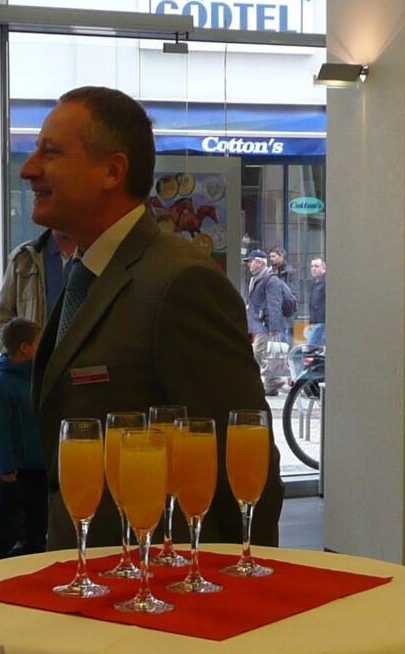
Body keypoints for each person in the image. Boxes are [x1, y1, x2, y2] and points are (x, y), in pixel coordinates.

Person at [23, 86, 281, 550]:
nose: (29, 169)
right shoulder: (88, 273)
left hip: (157, 579)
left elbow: (241, 456)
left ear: (112, 170)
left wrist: (251, 570)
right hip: (93, 569)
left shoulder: (179, 282)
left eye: (51, 152)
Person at [0, 316, 47, 561]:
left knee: (37, 523)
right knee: (8, 523)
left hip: (38, 466)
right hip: (16, 470)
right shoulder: (2, 383)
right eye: (38, 342)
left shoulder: (34, 377)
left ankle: (32, 561)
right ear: (24, 347)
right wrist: (6, 466)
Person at [0, 227, 77, 343]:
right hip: (34, 352)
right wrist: (12, 352)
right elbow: (3, 316)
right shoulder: (23, 258)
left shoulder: (95, 258)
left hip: (79, 351)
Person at [245, 249, 296, 395]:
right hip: (261, 323)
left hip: (267, 325)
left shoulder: (270, 280)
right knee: (265, 353)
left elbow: (274, 305)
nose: (249, 264)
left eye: (251, 261)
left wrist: (273, 328)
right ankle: (272, 382)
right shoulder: (258, 278)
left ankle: (271, 382)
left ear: (259, 263)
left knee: (259, 352)